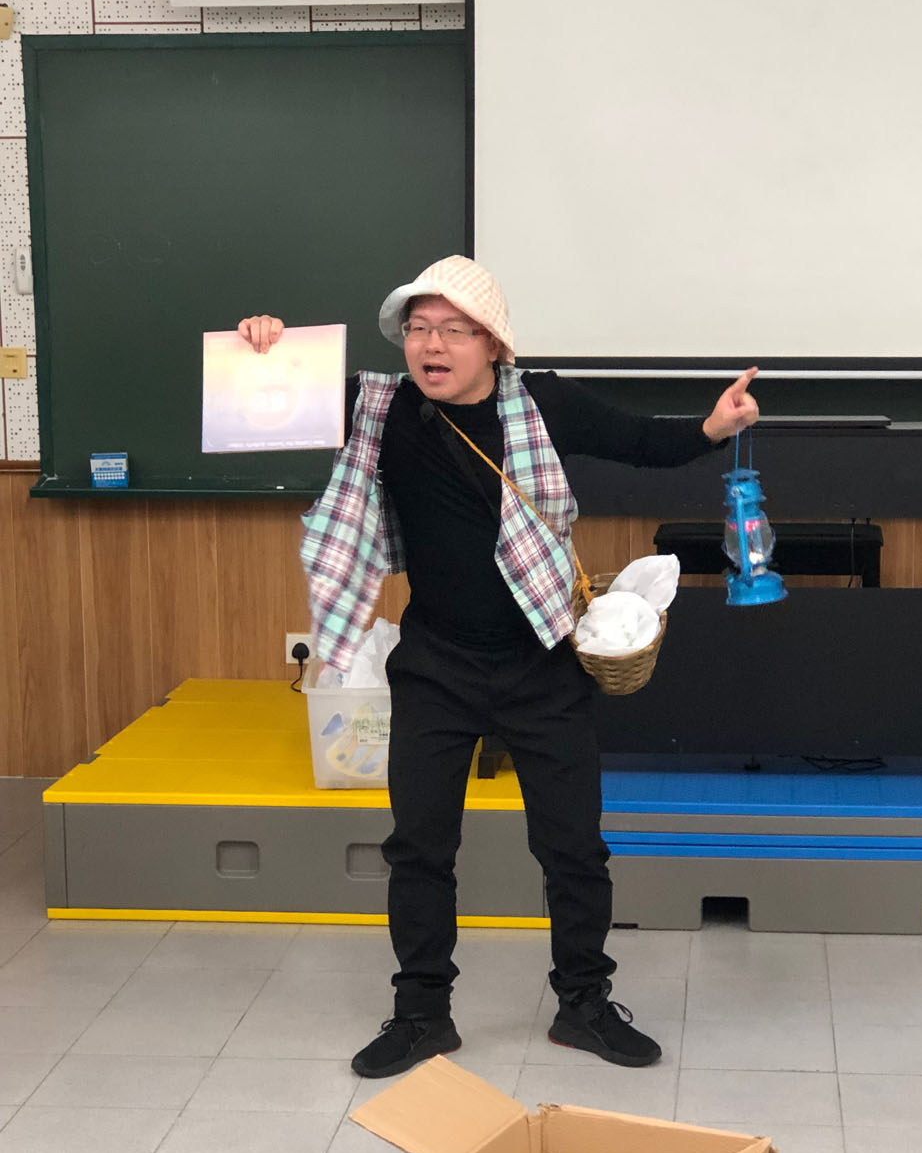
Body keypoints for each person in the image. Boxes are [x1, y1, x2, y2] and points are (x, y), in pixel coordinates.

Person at [240, 254, 758, 1079]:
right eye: (418, 328)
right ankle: (421, 1014)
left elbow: (640, 442)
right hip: (435, 664)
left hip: (542, 661)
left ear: (493, 344)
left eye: (454, 330)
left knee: (574, 849)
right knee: (418, 849)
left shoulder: (543, 403)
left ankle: (584, 1004)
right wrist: (265, 346)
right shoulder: (382, 407)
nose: (431, 345)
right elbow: (265, 398)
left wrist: (713, 429)